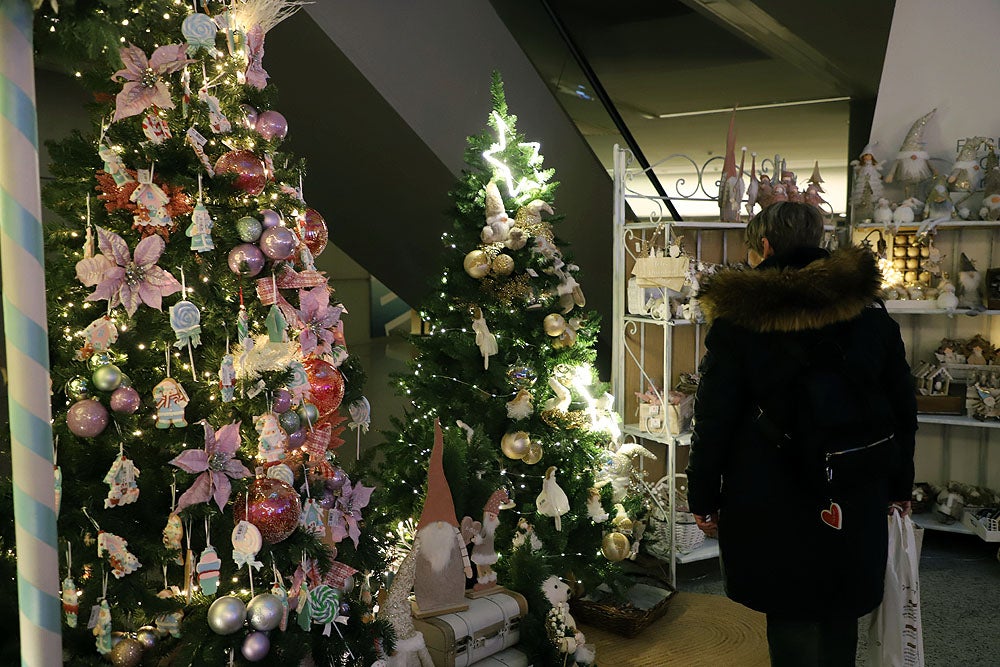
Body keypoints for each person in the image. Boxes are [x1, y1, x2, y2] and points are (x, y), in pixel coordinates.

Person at [685, 201, 917, 666]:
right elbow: (901, 407)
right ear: (819, 239)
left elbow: (715, 417)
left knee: (787, 602)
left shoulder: (739, 320)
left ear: (766, 246)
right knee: (842, 596)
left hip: (770, 483)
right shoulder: (869, 311)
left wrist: (703, 495)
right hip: (856, 478)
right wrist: (899, 485)